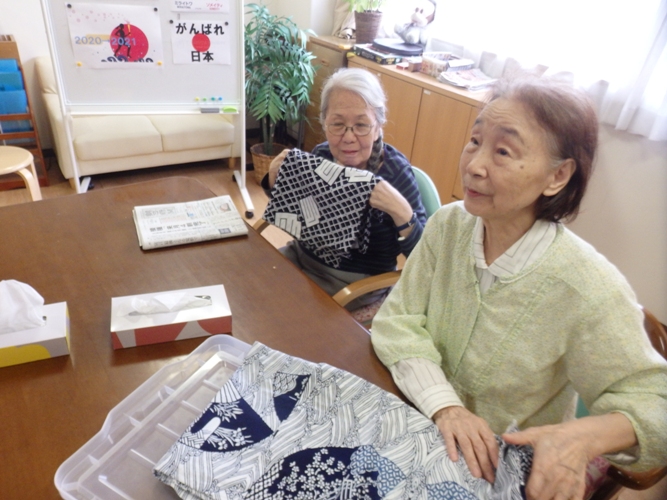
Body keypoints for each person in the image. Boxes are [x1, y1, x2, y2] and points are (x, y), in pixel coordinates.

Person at [370, 75, 667, 499]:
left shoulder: (587, 286)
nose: (474, 164)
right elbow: (397, 319)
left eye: (503, 151)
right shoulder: (449, 226)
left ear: (557, 176)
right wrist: (446, 405)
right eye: (475, 140)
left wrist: (584, 437)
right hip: (420, 421)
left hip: (498, 471)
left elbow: (657, 403)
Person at [263, 68, 427, 308]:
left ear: (378, 127)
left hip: (355, 284)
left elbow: (425, 256)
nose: (349, 137)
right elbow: (298, 208)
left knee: (282, 312)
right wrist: (274, 180)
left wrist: (401, 211)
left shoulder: (395, 173)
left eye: (361, 125)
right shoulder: (321, 155)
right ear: (324, 124)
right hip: (301, 258)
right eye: (338, 124)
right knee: (252, 284)